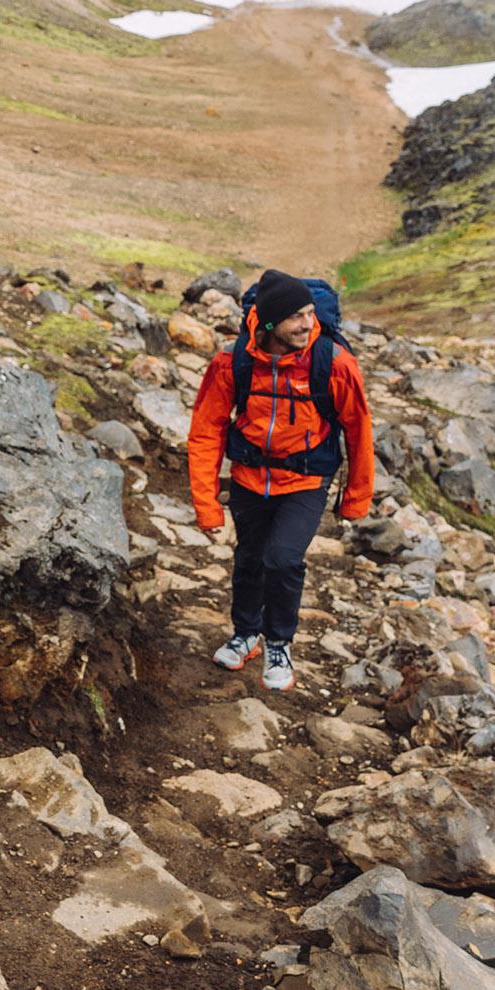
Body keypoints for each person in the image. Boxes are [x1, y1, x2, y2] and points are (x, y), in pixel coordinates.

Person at [186, 269, 373, 693]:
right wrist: (207, 504)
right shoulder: (233, 362)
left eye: (310, 313)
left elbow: (359, 430)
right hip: (250, 477)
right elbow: (206, 429)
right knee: (250, 558)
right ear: (269, 324)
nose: (309, 324)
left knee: (283, 560)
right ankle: (246, 633)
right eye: (297, 317)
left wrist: (356, 499)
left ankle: (279, 642)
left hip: (306, 480)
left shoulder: (334, 364)